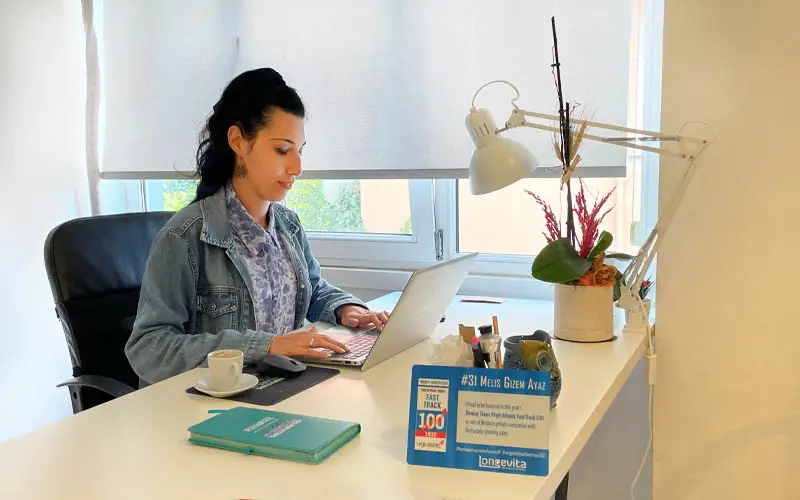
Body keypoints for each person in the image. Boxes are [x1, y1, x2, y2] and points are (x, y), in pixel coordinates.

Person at [125, 68, 388, 386]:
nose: (297, 167)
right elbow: (149, 349)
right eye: (282, 150)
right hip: (206, 409)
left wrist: (346, 308)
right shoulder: (184, 237)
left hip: (275, 390)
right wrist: (266, 346)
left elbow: (311, 288)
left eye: (299, 151)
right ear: (238, 141)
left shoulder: (287, 226)